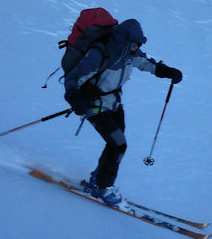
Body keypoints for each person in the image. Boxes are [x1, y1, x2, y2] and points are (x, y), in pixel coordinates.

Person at [63, 18, 182, 205]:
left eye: (139, 44)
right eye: (135, 43)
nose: (137, 47)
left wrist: (167, 71)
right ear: (124, 40)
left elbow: (147, 63)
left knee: (116, 144)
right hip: (93, 104)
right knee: (118, 144)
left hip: (114, 104)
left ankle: (98, 181)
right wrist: (74, 97)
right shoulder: (100, 53)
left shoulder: (129, 52)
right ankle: (103, 188)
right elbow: (74, 77)